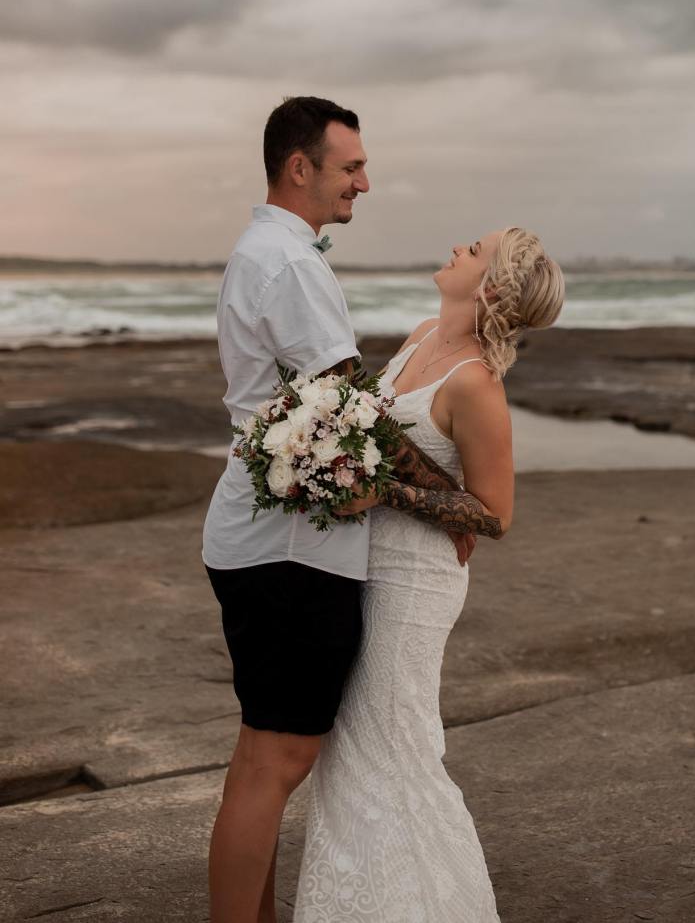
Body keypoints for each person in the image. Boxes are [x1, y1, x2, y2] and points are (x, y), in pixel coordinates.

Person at [201, 96, 469, 923]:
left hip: (267, 535)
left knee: (264, 752)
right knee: (278, 758)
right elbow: (352, 410)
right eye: (350, 167)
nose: (364, 182)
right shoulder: (288, 263)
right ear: (299, 167)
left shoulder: (272, 252)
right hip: (286, 545)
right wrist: (449, 504)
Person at [293, 226, 565, 921]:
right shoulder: (419, 336)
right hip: (359, 562)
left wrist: (381, 491)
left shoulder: (474, 382)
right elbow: (379, 440)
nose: (457, 249)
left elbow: (495, 513)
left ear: (492, 288)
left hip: (414, 582)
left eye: (474, 250)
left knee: (393, 744)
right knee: (347, 744)